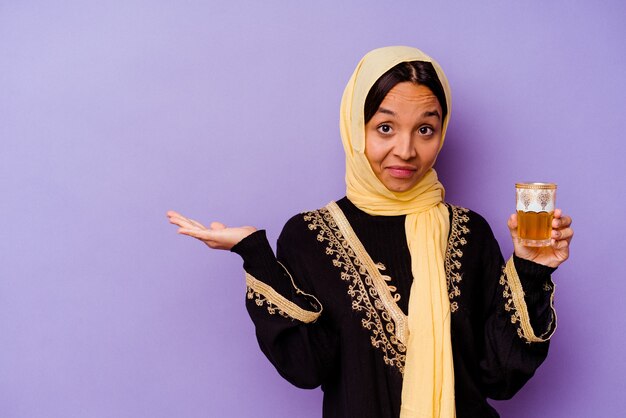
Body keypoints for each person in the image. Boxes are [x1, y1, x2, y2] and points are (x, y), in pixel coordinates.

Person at [167, 46, 573, 418]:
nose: (406, 150)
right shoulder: (310, 235)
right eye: (385, 128)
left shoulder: (470, 232)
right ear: (354, 128)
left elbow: (498, 379)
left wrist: (531, 270)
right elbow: (308, 368)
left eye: (425, 130)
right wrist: (254, 253)